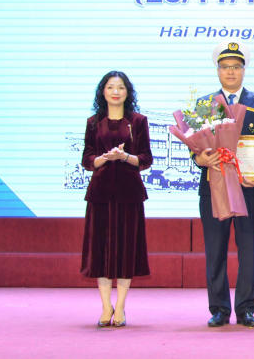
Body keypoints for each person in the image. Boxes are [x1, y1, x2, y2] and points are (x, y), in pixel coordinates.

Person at [193, 40, 254, 328]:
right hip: (213, 186)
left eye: (236, 67)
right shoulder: (205, 104)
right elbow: (196, 145)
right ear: (218, 71)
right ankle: (219, 309)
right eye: (225, 67)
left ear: (243, 70)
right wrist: (199, 157)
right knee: (215, 249)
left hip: (249, 188)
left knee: (248, 249)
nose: (230, 72)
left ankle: (246, 308)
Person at [81, 71, 153, 328]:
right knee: (100, 251)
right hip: (100, 194)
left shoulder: (138, 121)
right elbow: (87, 159)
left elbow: (145, 159)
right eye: (110, 87)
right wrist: (103, 158)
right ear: (103, 91)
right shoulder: (93, 122)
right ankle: (105, 307)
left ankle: (120, 307)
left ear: (127, 92)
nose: (115, 92)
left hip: (129, 193)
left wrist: (124, 157)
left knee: (125, 250)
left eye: (120, 87)